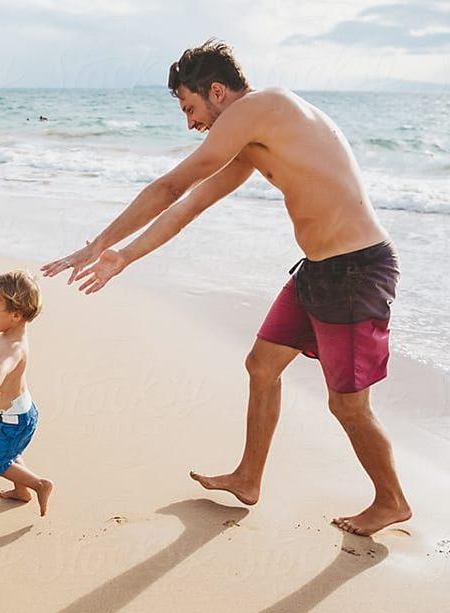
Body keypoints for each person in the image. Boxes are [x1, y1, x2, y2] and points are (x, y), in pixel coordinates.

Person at [40, 40, 409, 536]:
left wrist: (104, 244)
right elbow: (190, 204)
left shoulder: (262, 106)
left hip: (355, 270)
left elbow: (174, 185)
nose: (191, 123)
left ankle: (391, 500)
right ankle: (249, 477)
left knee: (347, 404)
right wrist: (120, 253)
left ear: (217, 91)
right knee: (262, 366)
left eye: (191, 108)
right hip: (320, 269)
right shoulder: (255, 138)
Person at [0, 271, 54, 516]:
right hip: (16, 414)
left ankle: (39, 485)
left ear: (15, 315)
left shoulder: (14, 346)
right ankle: (21, 492)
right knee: (9, 452)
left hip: (14, 419)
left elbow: (5, 367)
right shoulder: (9, 338)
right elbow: (2, 358)